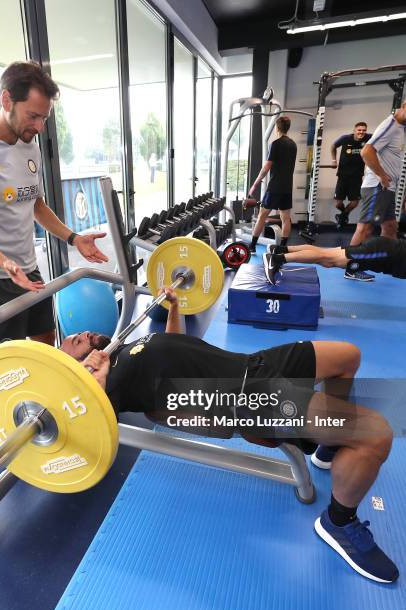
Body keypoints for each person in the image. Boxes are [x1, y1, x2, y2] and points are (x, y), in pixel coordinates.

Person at [59, 289, 398, 583]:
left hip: (253, 364)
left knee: (348, 356)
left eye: (81, 332)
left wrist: (175, 309)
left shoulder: (124, 349)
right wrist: (97, 386)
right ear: (71, 370)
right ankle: (339, 523)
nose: (84, 334)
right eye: (75, 342)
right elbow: (93, 430)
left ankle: (327, 445)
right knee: (376, 434)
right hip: (244, 397)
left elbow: (182, 347)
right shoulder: (106, 389)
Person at [0, 61, 108, 345]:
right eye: (33, 116)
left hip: (29, 269)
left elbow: (36, 205)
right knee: (13, 365)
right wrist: (4, 262)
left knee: (46, 345)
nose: (39, 126)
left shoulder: (29, 144)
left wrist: (73, 238)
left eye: (44, 118)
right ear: (6, 99)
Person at [346, 101, 406, 281]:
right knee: (365, 228)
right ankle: (351, 268)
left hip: (388, 187)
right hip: (377, 186)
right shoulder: (391, 125)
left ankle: (389, 264)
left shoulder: (402, 129)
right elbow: (366, 151)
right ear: (404, 105)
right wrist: (382, 175)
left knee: (390, 227)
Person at [262, 237, 406, 285]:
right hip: (382, 254)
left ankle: (280, 250)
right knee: (327, 259)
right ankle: (276, 259)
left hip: (384, 247)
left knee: (323, 253)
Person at [247, 116, 297, 254]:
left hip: (275, 186)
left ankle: (252, 246)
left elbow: (267, 167)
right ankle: (282, 248)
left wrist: (255, 184)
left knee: (262, 215)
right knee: (286, 218)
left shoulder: (275, 144)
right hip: (287, 187)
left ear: (277, 127)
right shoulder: (293, 144)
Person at [330, 122, 371, 229]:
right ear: (354, 131)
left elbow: (380, 139)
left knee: (354, 202)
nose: (361, 132)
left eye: (363, 130)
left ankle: (342, 217)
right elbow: (333, 146)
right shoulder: (345, 138)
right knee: (338, 204)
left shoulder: (369, 138)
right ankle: (343, 215)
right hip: (343, 175)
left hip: (357, 176)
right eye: (359, 130)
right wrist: (334, 160)